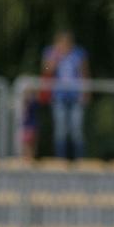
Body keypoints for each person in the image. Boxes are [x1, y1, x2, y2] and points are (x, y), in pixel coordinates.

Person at [41, 30, 89, 158]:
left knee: (76, 129)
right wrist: (56, 56)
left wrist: (85, 92)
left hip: (75, 96)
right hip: (59, 97)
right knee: (60, 130)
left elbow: (84, 73)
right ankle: (60, 158)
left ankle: (79, 158)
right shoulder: (51, 53)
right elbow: (47, 70)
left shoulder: (78, 53)